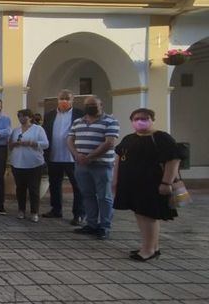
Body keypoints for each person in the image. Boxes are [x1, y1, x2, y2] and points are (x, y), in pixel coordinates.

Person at [114, 108, 182, 261]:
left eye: (144, 118)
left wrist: (166, 182)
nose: (140, 121)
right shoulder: (129, 138)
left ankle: (148, 250)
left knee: (149, 215)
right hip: (133, 184)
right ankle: (151, 246)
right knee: (140, 214)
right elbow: (119, 158)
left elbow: (173, 160)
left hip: (152, 184)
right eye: (136, 119)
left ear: (152, 120)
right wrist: (116, 180)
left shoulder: (162, 138)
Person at [67, 95, 119, 240]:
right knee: (87, 195)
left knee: (104, 197)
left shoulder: (110, 121)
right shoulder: (78, 121)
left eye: (93, 104)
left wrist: (89, 157)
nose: (90, 107)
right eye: (87, 104)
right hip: (81, 165)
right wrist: (76, 155)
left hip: (101, 165)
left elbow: (109, 143)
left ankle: (104, 226)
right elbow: (70, 139)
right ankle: (91, 224)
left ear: (101, 105)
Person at [42, 89, 85, 225]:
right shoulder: (49, 115)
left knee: (77, 186)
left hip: (72, 156)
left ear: (72, 100)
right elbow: (45, 132)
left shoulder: (80, 114)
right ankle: (56, 209)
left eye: (67, 98)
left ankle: (78, 214)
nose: (64, 101)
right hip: (54, 155)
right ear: (57, 100)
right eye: (62, 98)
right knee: (54, 184)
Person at [8, 109, 49, 222]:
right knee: (20, 188)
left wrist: (31, 143)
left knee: (34, 188)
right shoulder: (16, 130)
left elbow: (45, 144)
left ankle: (34, 212)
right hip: (18, 163)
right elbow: (10, 145)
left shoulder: (38, 129)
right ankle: (21, 210)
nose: (22, 119)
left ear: (30, 117)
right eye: (20, 116)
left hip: (34, 163)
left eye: (24, 116)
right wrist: (14, 144)